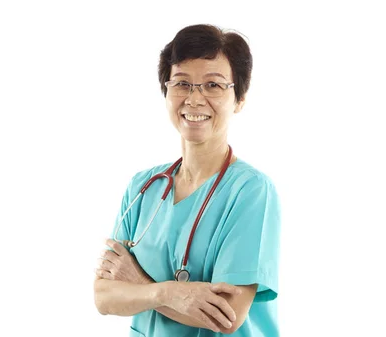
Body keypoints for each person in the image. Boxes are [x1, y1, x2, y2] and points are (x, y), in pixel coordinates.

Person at [93, 24, 282, 337]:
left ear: (239, 100)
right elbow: (103, 296)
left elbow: (227, 316)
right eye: (182, 83)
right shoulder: (144, 187)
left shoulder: (251, 191)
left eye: (213, 85)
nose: (195, 99)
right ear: (166, 92)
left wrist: (139, 285)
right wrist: (167, 293)